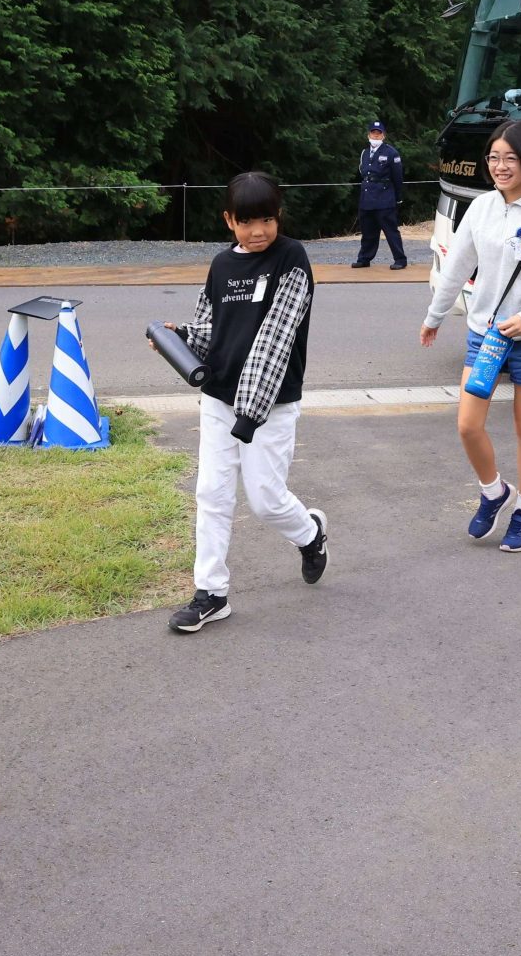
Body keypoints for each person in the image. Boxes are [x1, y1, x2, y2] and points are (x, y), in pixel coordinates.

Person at [158, 170, 327, 633]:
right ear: (229, 220)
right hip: (219, 400)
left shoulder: (291, 259)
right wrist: (180, 338)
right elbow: (210, 329)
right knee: (211, 494)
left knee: (265, 500)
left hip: (270, 406)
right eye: (247, 222)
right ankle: (210, 594)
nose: (258, 232)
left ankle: (310, 533)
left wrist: (248, 415)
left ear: (278, 217)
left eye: (267, 220)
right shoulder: (221, 265)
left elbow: (275, 339)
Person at [421, 120, 521, 552]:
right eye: (494, 157)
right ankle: (494, 491)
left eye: (510, 158)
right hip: (486, 335)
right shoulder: (481, 207)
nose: (500, 166)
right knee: (467, 425)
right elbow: (457, 266)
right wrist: (435, 316)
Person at [351, 119, 409, 269]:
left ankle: (400, 259)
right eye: (373, 133)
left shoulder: (391, 153)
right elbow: (363, 173)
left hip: (384, 198)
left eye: (379, 133)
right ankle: (364, 259)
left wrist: (398, 197)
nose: (375, 136)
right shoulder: (364, 153)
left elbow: (397, 177)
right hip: (367, 198)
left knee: (390, 231)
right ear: (368, 135)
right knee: (368, 231)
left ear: (383, 136)